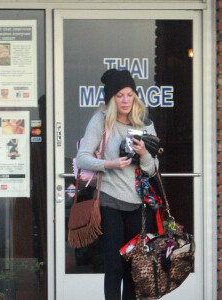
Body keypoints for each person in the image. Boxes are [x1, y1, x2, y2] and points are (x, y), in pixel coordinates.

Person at [76, 69, 157, 300]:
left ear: (135, 97)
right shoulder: (101, 121)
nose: (125, 100)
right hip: (110, 202)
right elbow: (82, 158)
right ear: (112, 98)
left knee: (133, 267)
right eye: (120, 95)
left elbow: (153, 169)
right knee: (113, 267)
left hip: (138, 205)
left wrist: (143, 155)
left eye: (129, 94)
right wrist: (109, 163)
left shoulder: (145, 124)